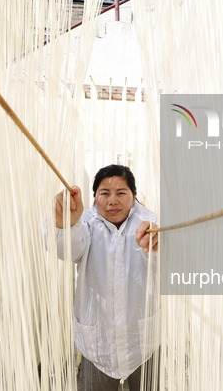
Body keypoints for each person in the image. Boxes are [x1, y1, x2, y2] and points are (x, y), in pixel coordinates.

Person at [51, 164, 160, 391]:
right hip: (97, 347)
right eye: (105, 193)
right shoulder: (85, 222)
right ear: (94, 197)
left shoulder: (150, 223)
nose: (113, 201)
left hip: (142, 342)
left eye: (121, 193)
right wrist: (66, 223)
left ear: (134, 196)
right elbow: (68, 250)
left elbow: (164, 266)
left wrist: (157, 245)